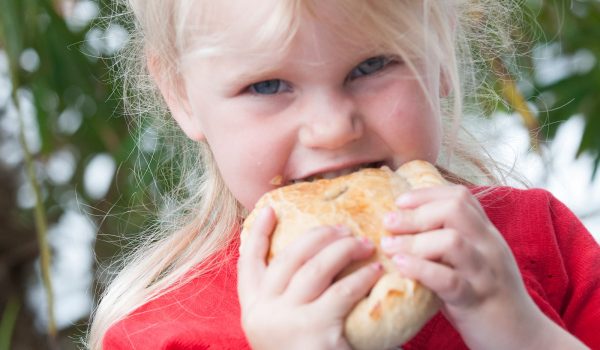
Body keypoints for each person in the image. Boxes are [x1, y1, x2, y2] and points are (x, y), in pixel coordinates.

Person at [89, 0, 600, 349]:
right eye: (268, 86)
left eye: (372, 65)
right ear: (181, 94)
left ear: (439, 48)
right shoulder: (163, 336)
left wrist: (520, 328)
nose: (333, 128)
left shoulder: (539, 242)